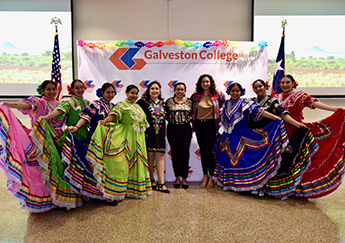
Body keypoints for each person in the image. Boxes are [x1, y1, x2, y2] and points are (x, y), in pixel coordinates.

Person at [277, 74, 345, 199]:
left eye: (288, 82)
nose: (285, 85)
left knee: (297, 160)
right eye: (283, 82)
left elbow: (314, 103)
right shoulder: (277, 98)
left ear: (293, 83)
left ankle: (297, 189)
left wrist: (333, 109)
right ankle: (282, 187)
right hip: (280, 132)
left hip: (296, 131)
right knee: (283, 160)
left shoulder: (299, 96)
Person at [0, 80, 63, 212]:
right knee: (41, 170)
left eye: (54, 89)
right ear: (43, 91)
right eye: (48, 89)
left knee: (56, 168)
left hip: (57, 140)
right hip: (41, 140)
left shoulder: (58, 104)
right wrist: (10, 104)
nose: (52, 92)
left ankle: (58, 197)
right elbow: (25, 104)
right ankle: (44, 199)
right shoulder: (39, 102)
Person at [213, 82, 288, 191]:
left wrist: (273, 117)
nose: (235, 93)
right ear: (229, 91)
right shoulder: (226, 103)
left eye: (237, 91)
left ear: (241, 92)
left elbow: (259, 111)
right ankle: (230, 183)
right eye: (233, 91)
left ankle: (242, 183)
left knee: (242, 160)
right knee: (229, 160)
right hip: (227, 138)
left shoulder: (245, 102)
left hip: (241, 136)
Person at [250, 79, 318, 199]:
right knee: (255, 162)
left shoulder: (272, 102)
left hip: (269, 137)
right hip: (254, 137)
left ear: (265, 87)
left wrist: (297, 124)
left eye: (260, 86)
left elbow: (282, 113)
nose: (258, 89)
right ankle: (254, 186)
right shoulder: (250, 102)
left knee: (268, 163)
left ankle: (267, 188)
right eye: (256, 87)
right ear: (253, 89)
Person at [86, 85, 152, 202]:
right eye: (132, 93)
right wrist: (105, 121)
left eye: (136, 93)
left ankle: (132, 189)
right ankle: (113, 192)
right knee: (121, 164)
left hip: (138, 140)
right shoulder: (122, 105)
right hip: (126, 138)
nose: (134, 95)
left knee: (135, 163)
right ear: (126, 93)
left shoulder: (138, 106)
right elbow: (114, 114)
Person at [31, 79, 89, 208]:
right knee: (73, 166)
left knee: (83, 165)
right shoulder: (68, 102)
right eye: (77, 88)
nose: (80, 90)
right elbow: (60, 111)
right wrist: (47, 117)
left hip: (84, 136)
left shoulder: (86, 102)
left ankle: (84, 192)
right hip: (72, 136)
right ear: (72, 90)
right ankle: (72, 195)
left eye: (82, 87)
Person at [61, 83, 116, 201]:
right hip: (96, 138)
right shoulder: (96, 104)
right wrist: (76, 126)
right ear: (102, 93)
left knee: (108, 165)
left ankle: (109, 191)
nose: (110, 95)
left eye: (112, 92)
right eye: (108, 92)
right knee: (97, 164)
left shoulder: (114, 106)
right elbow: (86, 117)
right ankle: (102, 194)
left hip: (109, 140)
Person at [190, 74, 225, 188]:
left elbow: (226, 106)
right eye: (203, 82)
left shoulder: (218, 94)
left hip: (212, 126)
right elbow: (190, 111)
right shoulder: (195, 96)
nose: (205, 84)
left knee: (210, 153)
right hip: (199, 126)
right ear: (200, 83)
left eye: (207, 82)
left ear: (211, 83)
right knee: (203, 152)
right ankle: (205, 176)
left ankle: (212, 177)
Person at [137, 81, 170, 193]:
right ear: (148, 90)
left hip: (160, 134)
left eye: (157, 88)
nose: (155, 91)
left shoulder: (164, 104)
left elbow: (170, 117)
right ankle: (151, 180)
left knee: (160, 156)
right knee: (149, 156)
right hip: (148, 133)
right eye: (152, 88)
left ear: (160, 91)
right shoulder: (143, 102)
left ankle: (161, 183)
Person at [165, 82, 192, 189]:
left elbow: (193, 114)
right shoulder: (168, 102)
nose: (180, 91)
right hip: (172, 130)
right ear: (174, 90)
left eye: (182, 89)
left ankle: (184, 179)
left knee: (184, 155)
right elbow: (166, 115)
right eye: (178, 89)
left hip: (186, 130)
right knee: (175, 154)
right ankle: (177, 178)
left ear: (185, 91)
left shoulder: (190, 101)